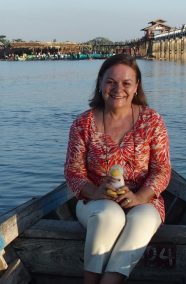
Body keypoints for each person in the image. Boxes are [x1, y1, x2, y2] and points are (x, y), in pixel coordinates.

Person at [64, 54, 171, 284]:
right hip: (94, 201)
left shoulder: (152, 121)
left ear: (136, 87)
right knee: (108, 216)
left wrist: (139, 196)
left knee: (141, 221)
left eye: (126, 83)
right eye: (110, 81)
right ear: (100, 82)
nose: (117, 89)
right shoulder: (83, 124)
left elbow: (162, 169)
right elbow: (73, 173)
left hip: (145, 199)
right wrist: (96, 192)